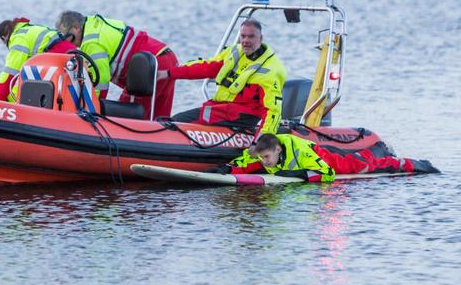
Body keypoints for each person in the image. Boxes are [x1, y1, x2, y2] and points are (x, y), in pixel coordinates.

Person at [157, 19, 286, 132]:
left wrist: (259, 142)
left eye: (251, 36)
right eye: (243, 36)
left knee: (176, 122)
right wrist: (168, 73)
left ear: (261, 38)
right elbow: (206, 67)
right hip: (221, 109)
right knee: (175, 120)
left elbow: (272, 111)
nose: (246, 41)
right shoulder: (234, 52)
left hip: (241, 116)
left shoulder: (270, 70)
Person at [56, 11, 178, 119]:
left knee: (129, 118)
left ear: (76, 27)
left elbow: (101, 80)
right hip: (167, 57)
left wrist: (93, 106)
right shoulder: (96, 23)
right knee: (160, 118)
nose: (70, 43)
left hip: (148, 68)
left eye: (68, 37)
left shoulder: (91, 42)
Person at [209, 133, 440, 181]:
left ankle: (411, 163)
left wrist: (300, 175)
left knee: (367, 166)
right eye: (263, 158)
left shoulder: (304, 153)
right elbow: (244, 163)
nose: (264, 162)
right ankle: (379, 148)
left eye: (267, 158)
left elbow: (327, 174)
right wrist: (226, 169)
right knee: (363, 159)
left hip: (327, 158)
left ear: (278, 150)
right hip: (300, 164)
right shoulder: (263, 151)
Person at [0, 17, 75, 102]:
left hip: (56, 56)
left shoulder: (18, 38)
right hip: (71, 53)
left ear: (4, 38)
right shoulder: (29, 29)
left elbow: (9, 74)